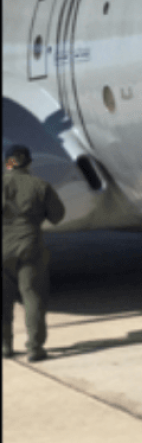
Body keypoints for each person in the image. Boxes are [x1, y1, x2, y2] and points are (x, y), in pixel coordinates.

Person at [3, 144, 66, 362]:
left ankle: (5, 346)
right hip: (30, 247)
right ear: (29, 162)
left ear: (8, 163)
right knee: (32, 297)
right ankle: (34, 348)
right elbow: (58, 216)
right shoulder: (40, 186)